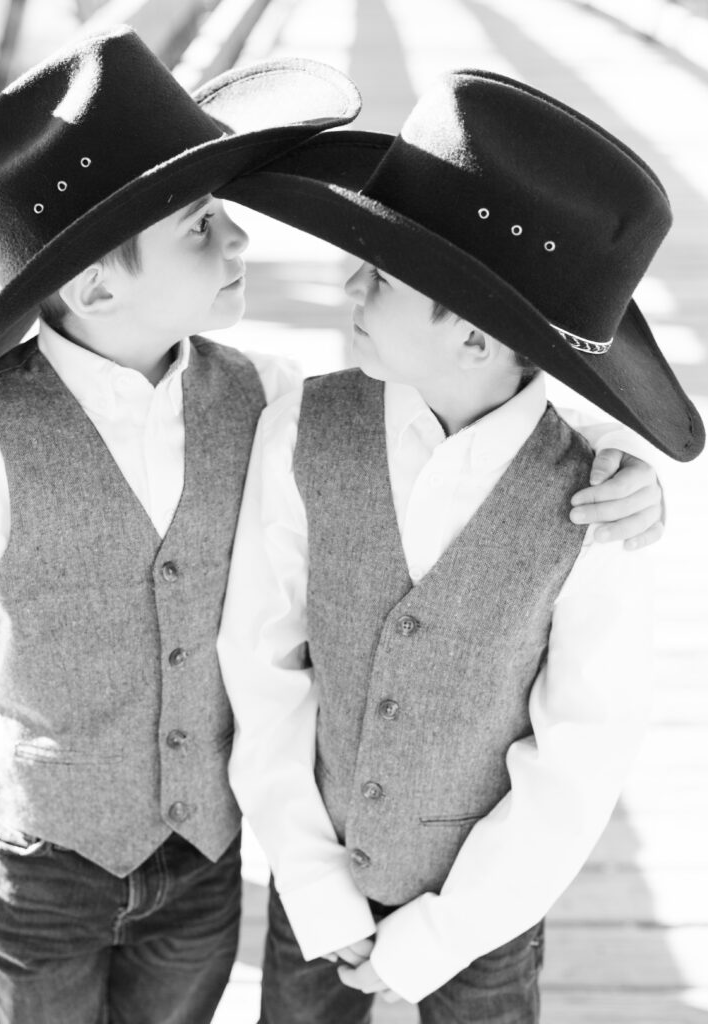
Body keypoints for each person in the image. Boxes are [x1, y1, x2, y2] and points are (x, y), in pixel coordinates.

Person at [216, 70, 704, 1023]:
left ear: (477, 337)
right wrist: (313, 883)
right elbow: (260, 662)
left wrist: (447, 930)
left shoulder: (593, 503)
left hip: (485, 915)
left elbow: (582, 748)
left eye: (381, 274)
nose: (347, 281)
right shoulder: (301, 431)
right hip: (319, 885)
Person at [0, 26, 363, 1024]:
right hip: (41, 863)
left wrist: (607, 469)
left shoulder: (266, 397)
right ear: (95, 284)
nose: (240, 239)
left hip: (200, 860)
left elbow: (414, 453)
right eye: (201, 225)